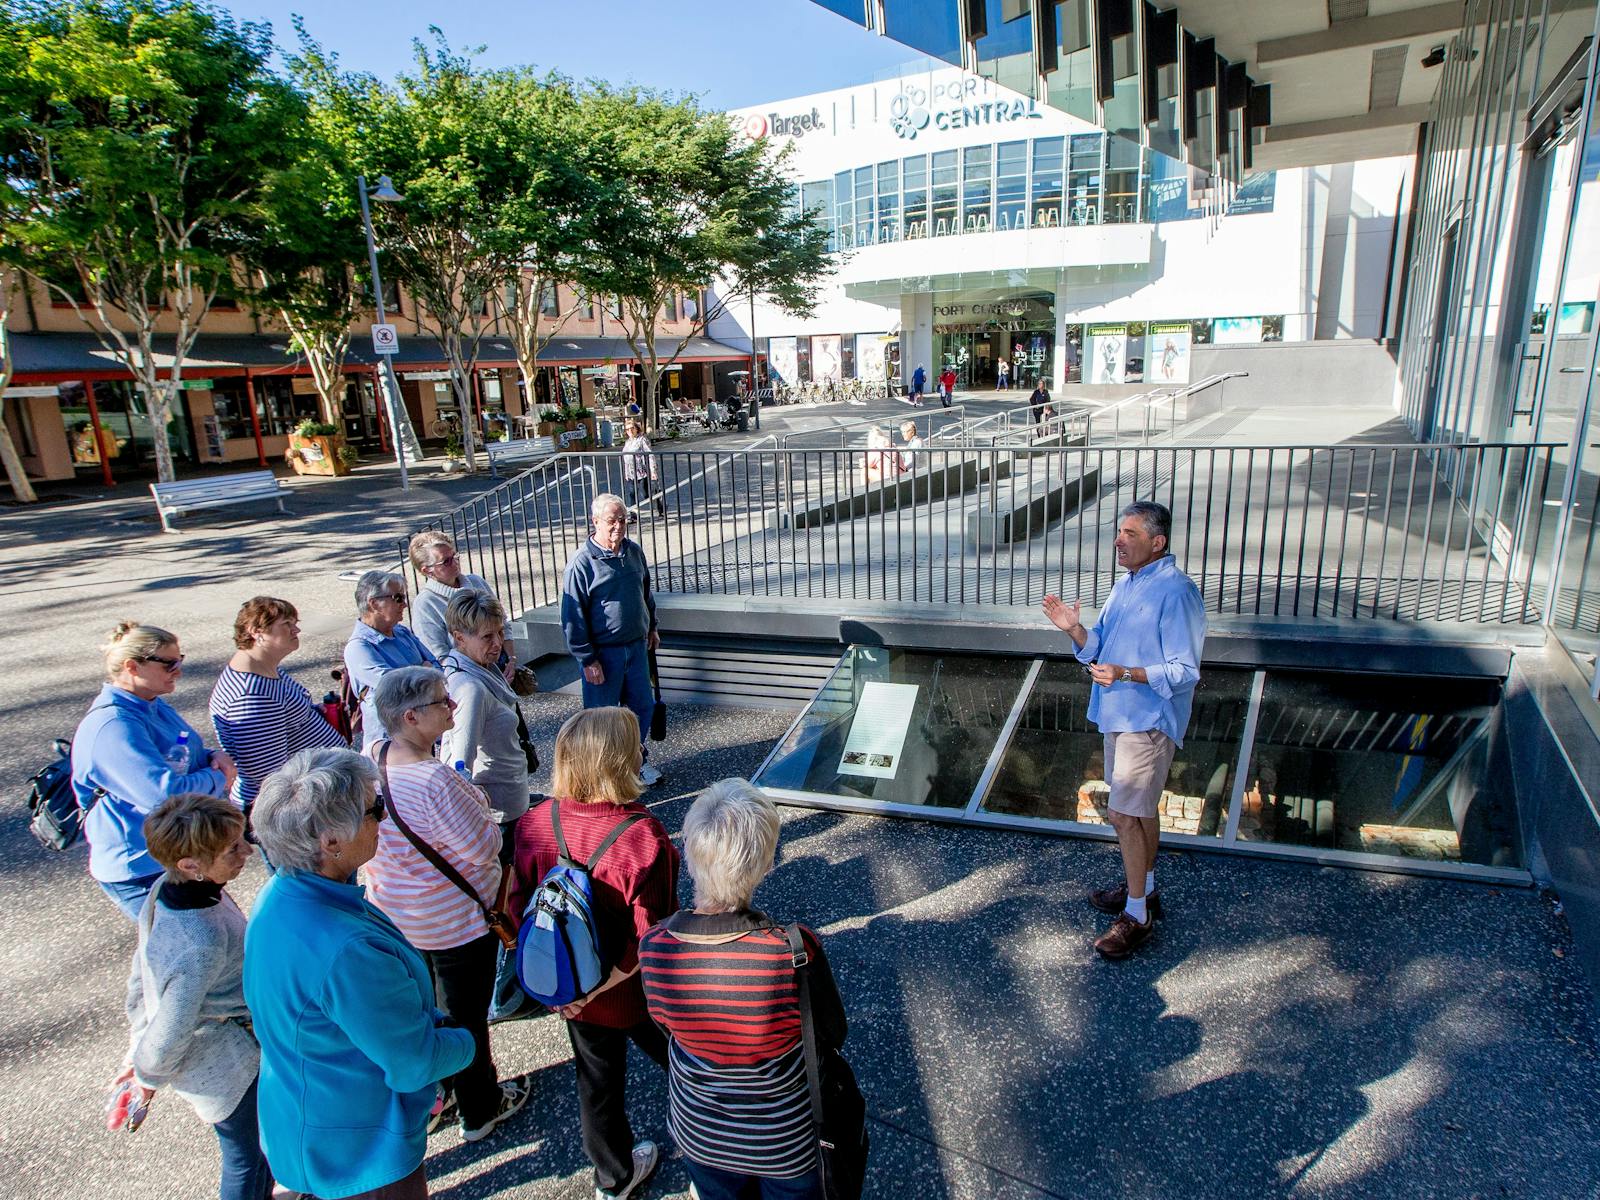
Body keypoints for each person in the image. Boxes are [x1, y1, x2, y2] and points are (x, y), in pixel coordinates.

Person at [246, 747, 476, 1200]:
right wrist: (464, 1041)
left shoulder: (278, 896)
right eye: (376, 810)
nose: (384, 820)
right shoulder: (346, 950)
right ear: (330, 841)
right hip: (361, 1151)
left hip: (308, 1119)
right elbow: (413, 1064)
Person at [639, 779, 847, 1200]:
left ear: (690, 852)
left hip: (699, 1132)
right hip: (784, 1140)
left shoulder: (655, 946)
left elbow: (665, 1024)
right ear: (766, 864)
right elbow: (831, 1031)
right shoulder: (792, 951)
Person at [510, 708, 679, 1200]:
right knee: (685, 1060)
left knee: (597, 1085)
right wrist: (606, 985)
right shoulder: (642, 836)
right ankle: (725, 1139)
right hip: (634, 991)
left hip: (571, 989)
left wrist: (568, 994)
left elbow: (522, 906)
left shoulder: (538, 821)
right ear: (620, 761)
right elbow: (652, 936)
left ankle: (614, 1178)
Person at [365, 667, 533, 1142]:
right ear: (412, 716)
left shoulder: (371, 758)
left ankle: (442, 1093)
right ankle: (480, 1108)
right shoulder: (435, 780)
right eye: (444, 702)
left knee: (426, 1013)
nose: (453, 708)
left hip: (400, 917)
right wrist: (479, 803)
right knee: (466, 1021)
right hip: (456, 923)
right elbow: (482, 847)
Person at [1042, 501, 1206, 959]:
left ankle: (1137, 916)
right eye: (1119, 532)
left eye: (1130, 534)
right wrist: (1075, 631)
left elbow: (1184, 670)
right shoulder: (1126, 585)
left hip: (1148, 720)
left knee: (1123, 815)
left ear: (1158, 542)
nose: (1118, 540)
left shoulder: (1177, 592)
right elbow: (1099, 650)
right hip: (1119, 715)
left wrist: (1126, 674)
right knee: (1140, 810)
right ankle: (1145, 890)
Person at [117, 794, 272, 1200]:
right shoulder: (200, 940)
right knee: (250, 1160)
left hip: (226, 1058)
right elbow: (172, 1026)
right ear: (190, 864)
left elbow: (142, 971)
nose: (247, 852)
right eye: (232, 849)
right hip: (229, 1071)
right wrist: (145, 1076)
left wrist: (137, 1043)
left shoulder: (165, 888)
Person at [73, 623, 238, 920]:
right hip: (141, 868)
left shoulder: (151, 704)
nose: (178, 670)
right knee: (189, 952)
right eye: (169, 664)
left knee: (225, 936)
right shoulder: (114, 727)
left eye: (180, 660)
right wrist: (218, 777)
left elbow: (185, 752)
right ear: (132, 667)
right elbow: (166, 796)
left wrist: (214, 756)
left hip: (175, 855)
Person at [438, 589, 536, 1020]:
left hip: (508, 801)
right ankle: (500, 995)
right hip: (497, 812)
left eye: (498, 633)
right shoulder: (468, 686)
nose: (496, 643)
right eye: (485, 636)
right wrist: (479, 818)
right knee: (501, 904)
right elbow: (458, 763)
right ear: (459, 637)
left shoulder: (477, 668)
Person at [209, 597, 344, 825]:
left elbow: (283, 718)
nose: (296, 629)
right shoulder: (250, 695)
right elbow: (270, 775)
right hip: (290, 814)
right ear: (256, 632)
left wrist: (313, 714)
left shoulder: (267, 669)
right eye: (287, 624)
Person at [561, 493, 664, 788]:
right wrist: (587, 659)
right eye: (611, 521)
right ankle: (603, 775)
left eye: (623, 520)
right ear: (595, 522)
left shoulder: (633, 552)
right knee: (600, 720)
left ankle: (634, 762)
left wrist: (652, 626)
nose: (618, 526)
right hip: (602, 655)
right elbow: (572, 615)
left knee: (641, 709)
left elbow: (645, 594)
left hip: (636, 647)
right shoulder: (581, 564)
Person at [344, 570, 440, 750]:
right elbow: (399, 689)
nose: (404, 604)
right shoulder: (359, 648)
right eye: (398, 598)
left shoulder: (402, 633)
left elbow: (437, 668)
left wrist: (423, 672)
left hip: (421, 734)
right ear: (374, 604)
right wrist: (424, 670)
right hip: (391, 744)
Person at [409, 532, 496, 662]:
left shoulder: (476, 582)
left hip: (499, 665)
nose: (455, 563)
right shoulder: (425, 604)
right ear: (427, 570)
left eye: (455, 556)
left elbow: (503, 626)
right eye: (446, 561)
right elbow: (438, 655)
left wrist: (511, 660)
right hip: (465, 673)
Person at [621, 418, 666, 518]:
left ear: (637, 428)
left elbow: (650, 454)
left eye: (632, 428)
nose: (630, 431)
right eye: (627, 429)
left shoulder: (642, 440)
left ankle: (660, 507)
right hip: (631, 473)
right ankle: (633, 516)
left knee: (646, 494)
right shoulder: (627, 442)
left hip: (642, 471)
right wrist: (625, 472)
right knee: (632, 494)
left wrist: (653, 470)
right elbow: (625, 458)